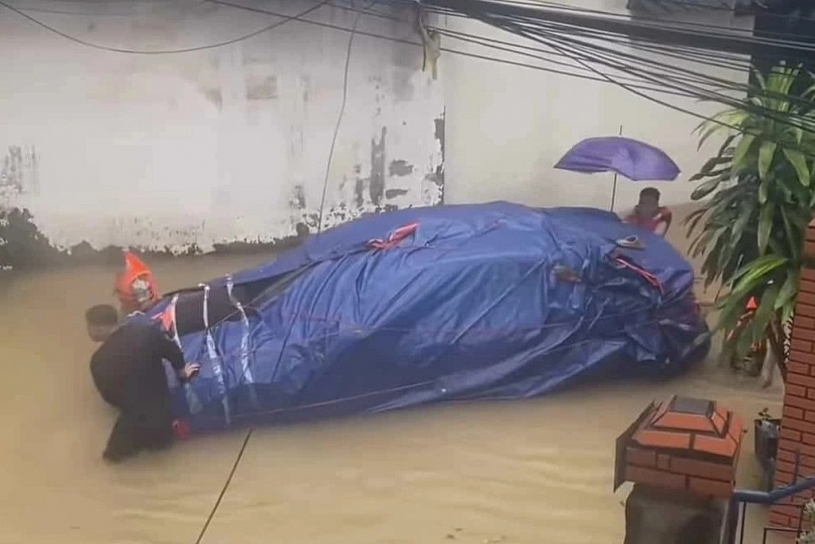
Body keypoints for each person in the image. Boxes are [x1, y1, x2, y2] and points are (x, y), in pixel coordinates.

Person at [86, 304, 200, 463]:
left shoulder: (98, 361)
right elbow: (171, 350)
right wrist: (181, 372)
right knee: (163, 456)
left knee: (112, 461)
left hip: (133, 421)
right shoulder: (143, 331)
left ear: (97, 327)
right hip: (162, 413)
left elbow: (109, 398)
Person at [115, 250, 160, 316]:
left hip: (145, 310)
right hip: (128, 307)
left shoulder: (138, 282)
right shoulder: (121, 276)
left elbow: (147, 306)